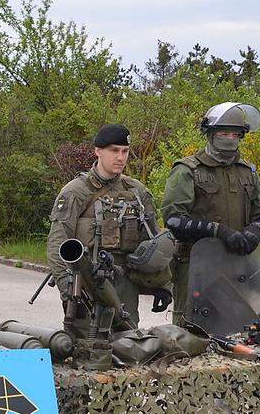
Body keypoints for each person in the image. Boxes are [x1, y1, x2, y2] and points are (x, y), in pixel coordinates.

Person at [45, 123, 171, 329]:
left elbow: (154, 243)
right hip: (86, 283)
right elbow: (58, 242)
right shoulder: (76, 192)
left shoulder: (138, 192)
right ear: (98, 151)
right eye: (114, 151)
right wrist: (66, 288)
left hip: (126, 285)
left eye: (125, 151)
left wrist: (163, 285)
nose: (121, 157)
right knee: (87, 349)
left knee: (129, 347)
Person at [160, 102, 260, 325]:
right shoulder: (187, 171)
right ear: (210, 134)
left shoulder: (248, 173)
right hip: (196, 267)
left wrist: (255, 231)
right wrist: (217, 230)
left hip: (239, 267)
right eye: (223, 132)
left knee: (240, 331)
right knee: (190, 334)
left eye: (235, 133)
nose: (230, 138)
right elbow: (173, 220)